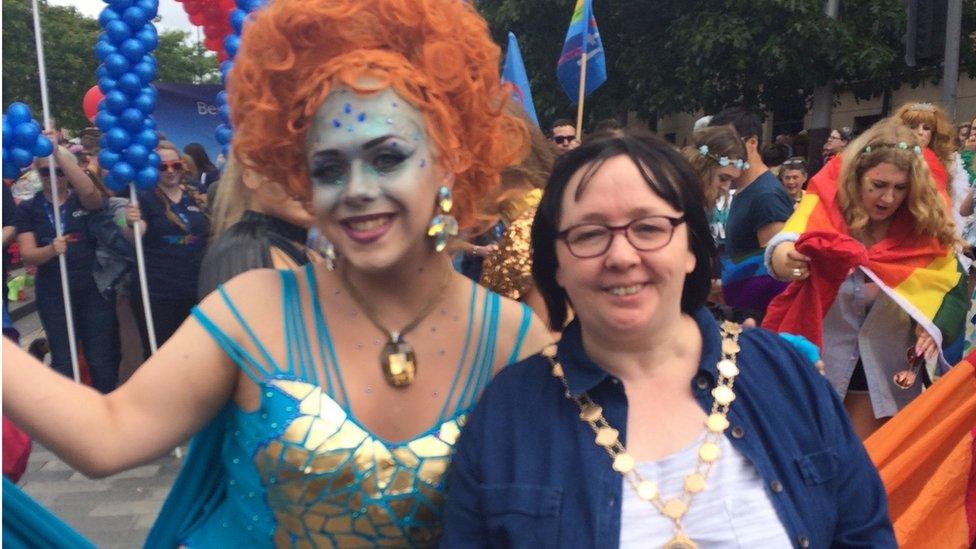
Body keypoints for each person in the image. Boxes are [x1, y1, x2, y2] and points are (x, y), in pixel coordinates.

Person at [2, 0, 549, 545]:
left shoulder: (513, 339)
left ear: (449, 159)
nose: (358, 190)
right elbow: (107, 436)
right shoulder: (254, 307)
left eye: (387, 158)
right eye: (329, 168)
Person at [442, 134, 895, 547]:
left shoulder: (784, 377)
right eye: (590, 234)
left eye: (649, 228)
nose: (621, 256)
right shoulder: (507, 414)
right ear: (556, 262)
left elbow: (863, 534)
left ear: (692, 247)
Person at [764, 120, 967, 440]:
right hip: (819, 368)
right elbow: (786, 244)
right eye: (879, 184)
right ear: (856, 177)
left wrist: (934, 326)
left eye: (900, 188)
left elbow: (952, 283)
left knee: (867, 470)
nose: (888, 197)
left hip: (886, 379)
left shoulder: (923, 230)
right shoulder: (827, 211)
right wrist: (786, 257)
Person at [12, 144, 120, 393]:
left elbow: (93, 197)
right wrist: (50, 250)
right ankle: (71, 421)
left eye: (58, 171)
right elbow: (28, 254)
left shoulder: (81, 198)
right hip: (54, 295)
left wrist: (57, 152)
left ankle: (108, 415)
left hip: (92, 292)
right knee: (64, 361)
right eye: (45, 172)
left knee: (100, 359)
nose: (52, 177)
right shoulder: (29, 208)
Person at [708, 106, 794, 321]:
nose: (721, 154)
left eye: (728, 144)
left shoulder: (767, 195)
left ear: (752, 142)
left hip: (756, 322)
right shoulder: (744, 189)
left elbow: (774, 273)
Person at [125, 141, 210, 352]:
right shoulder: (143, 197)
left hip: (196, 289)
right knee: (163, 353)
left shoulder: (195, 192)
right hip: (158, 293)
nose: (170, 171)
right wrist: (127, 221)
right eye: (163, 167)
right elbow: (131, 233)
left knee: (197, 353)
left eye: (176, 165)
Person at [198, 154, 320, 298]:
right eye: (290, 166)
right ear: (250, 174)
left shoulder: (291, 244)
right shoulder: (244, 252)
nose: (307, 182)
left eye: (322, 167)